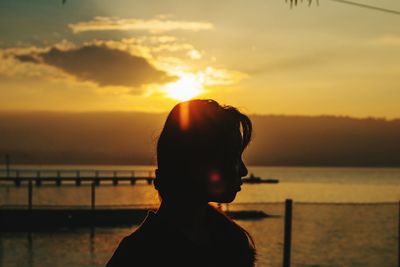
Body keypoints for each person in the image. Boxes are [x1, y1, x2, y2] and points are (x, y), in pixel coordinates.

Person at [106, 99, 256, 267]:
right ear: (199, 161)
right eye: (233, 156)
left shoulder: (137, 252)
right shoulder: (138, 255)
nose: (243, 170)